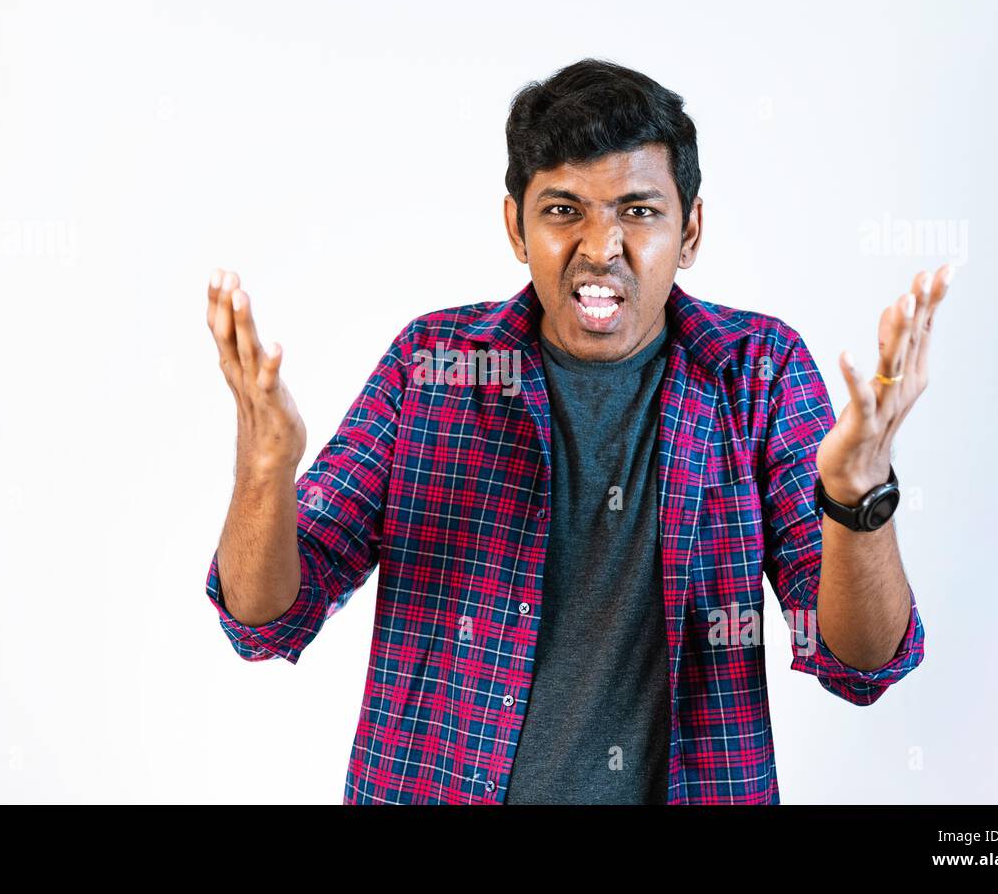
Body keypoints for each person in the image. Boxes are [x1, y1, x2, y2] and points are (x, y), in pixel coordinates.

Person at [201, 58, 949, 804]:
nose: (601, 247)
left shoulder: (759, 374)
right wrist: (263, 472)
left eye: (638, 211)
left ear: (690, 231)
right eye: (564, 210)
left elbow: (859, 662)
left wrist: (858, 498)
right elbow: (264, 619)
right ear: (515, 227)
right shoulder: (431, 367)